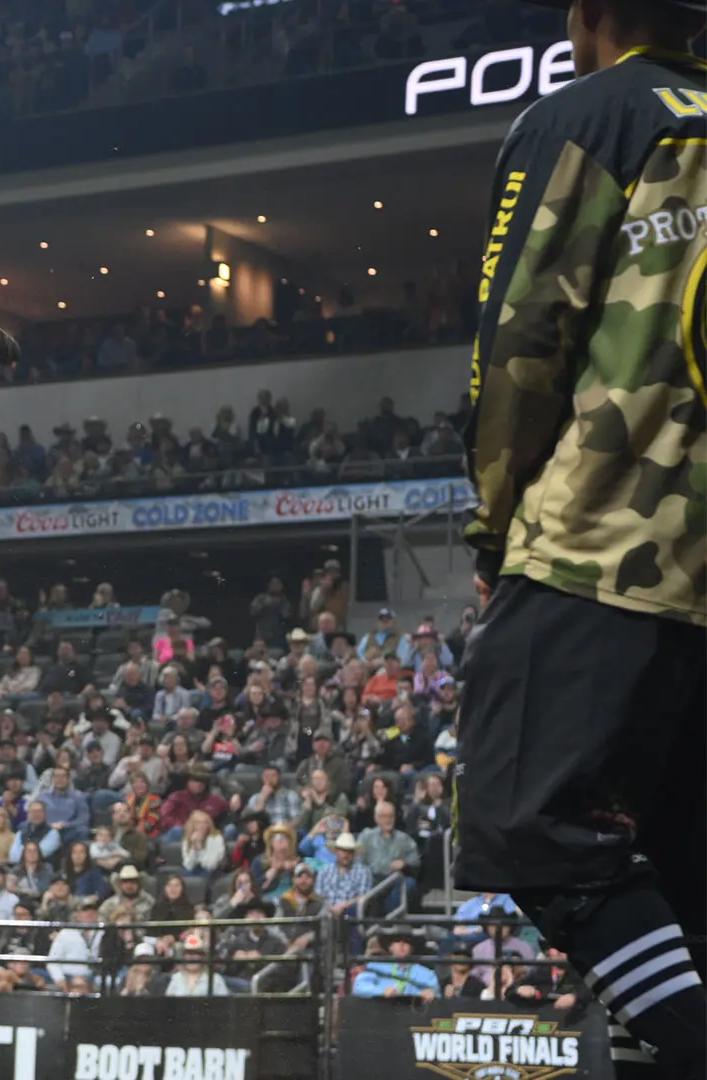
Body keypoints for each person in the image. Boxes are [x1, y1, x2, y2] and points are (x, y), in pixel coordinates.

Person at [459, 1, 706, 1076]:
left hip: (607, 540)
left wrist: (492, 530)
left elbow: (518, 344)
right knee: (680, 880)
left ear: (588, 19)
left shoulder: (590, 117)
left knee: (534, 829)